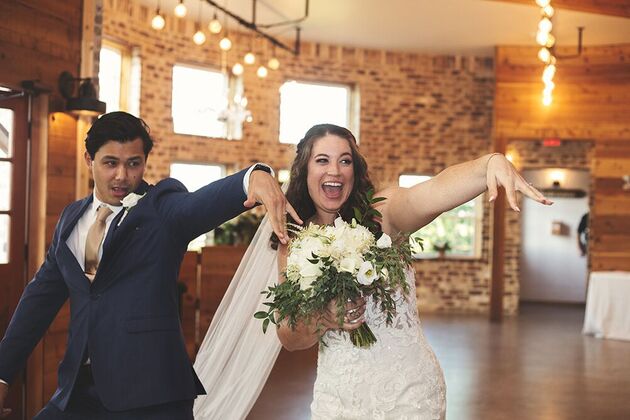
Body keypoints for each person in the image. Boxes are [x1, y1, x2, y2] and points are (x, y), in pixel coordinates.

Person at [192, 124, 552, 419]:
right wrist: (325, 316)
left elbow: (435, 191)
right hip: (337, 397)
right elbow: (289, 336)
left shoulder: (384, 214)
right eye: (322, 160)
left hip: (407, 394)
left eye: (345, 161)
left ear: (355, 171)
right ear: (305, 170)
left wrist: (488, 165)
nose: (335, 170)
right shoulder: (294, 242)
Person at [0, 111, 300, 419]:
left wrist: (252, 178)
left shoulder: (161, 207)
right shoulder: (69, 219)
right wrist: (3, 373)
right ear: (89, 160)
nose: (122, 175)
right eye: (110, 163)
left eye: (133, 163)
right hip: (77, 393)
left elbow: (197, 205)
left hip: (151, 397)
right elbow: (38, 300)